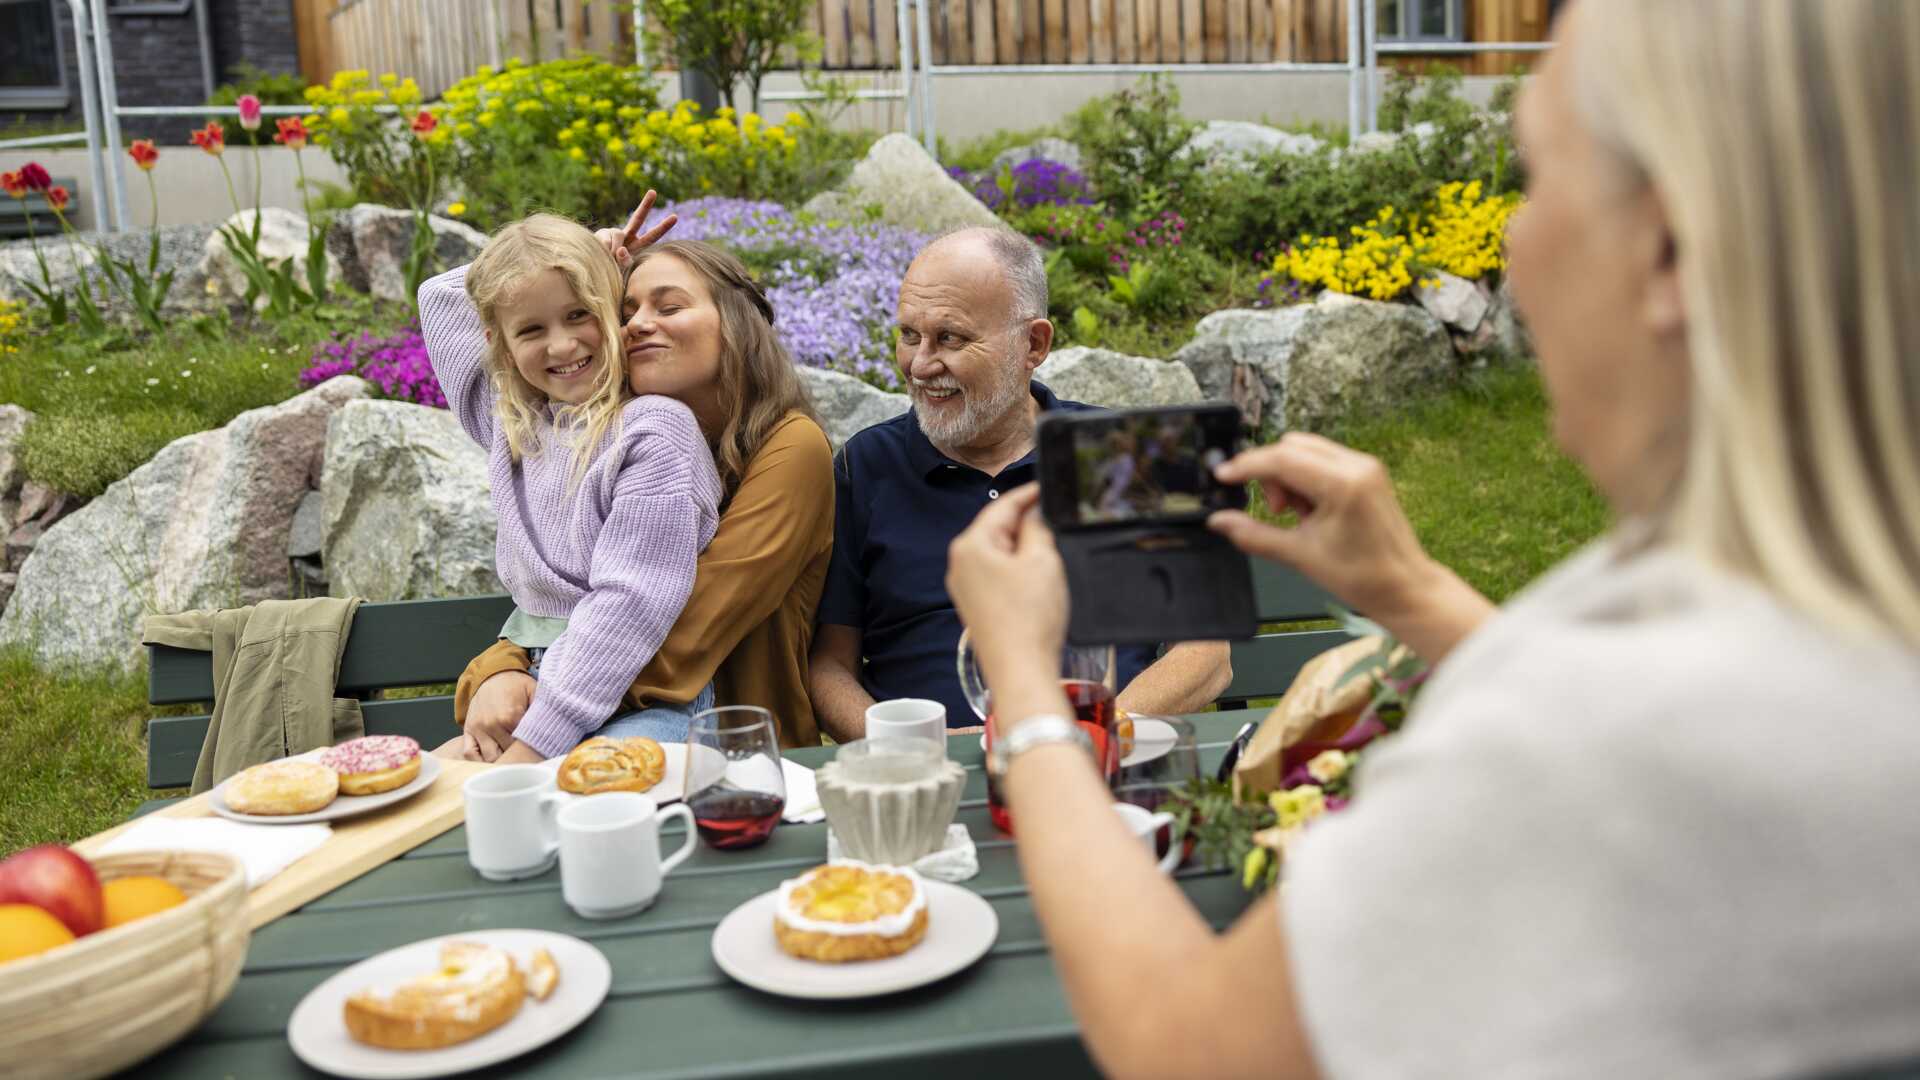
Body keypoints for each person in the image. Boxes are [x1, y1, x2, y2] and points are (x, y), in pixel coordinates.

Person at [944, 2, 1920, 1076]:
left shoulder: (1592, 755)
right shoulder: (1810, 629)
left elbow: (1190, 1046)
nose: (1511, 239)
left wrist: (1029, 695)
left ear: (1673, 250)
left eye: (1537, 180)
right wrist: (1413, 594)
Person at [432, 198, 834, 757]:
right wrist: (572, 261)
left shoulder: (785, 446)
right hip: (583, 701)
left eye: (668, 307)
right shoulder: (574, 432)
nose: (640, 322)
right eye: (625, 308)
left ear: (735, 321)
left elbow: (670, 625)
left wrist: (523, 698)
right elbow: (444, 301)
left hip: (730, 741)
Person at [808, 226, 1232, 741]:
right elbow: (830, 665)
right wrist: (914, 749)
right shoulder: (864, 466)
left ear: (1033, 344)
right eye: (909, 335)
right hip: (934, 779)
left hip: (1110, 765)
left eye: (951, 338)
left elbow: (1207, 655)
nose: (919, 365)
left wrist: (1086, 739)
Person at [419, 212, 723, 762]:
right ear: (499, 343)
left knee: (564, 795)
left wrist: (533, 746)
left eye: (579, 314)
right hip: (528, 685)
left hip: (645, 699)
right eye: (531, 329)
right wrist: (586, 250)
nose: (560, 346)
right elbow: (439, 297)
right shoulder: (511, 422)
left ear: (612, 310)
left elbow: (628, 605)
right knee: (430, 797)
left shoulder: (654, 432)